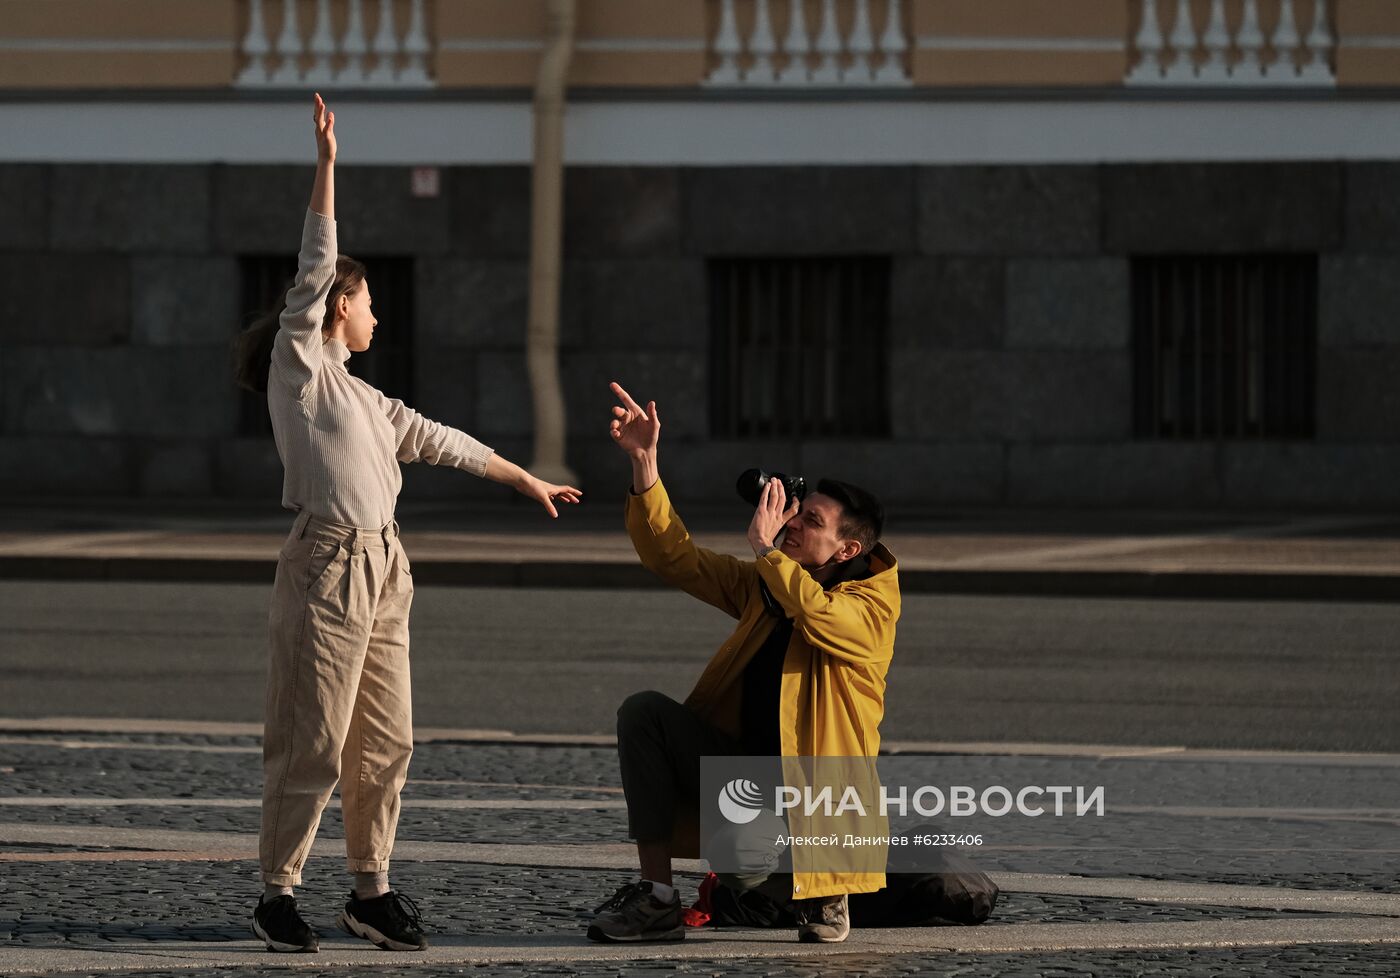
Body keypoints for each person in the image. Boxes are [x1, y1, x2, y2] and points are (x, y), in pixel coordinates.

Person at [234, 94, 581, 954]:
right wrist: (326, 164)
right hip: (325, 566)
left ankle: (370, 892)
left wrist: (523, 477)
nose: (376, 313)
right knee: (311, 742)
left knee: (386, 743)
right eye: (368, 301)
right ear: (337, 308)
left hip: (386, 571)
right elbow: (314, 265)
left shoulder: (368, 400)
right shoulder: (303, 370)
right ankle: (278, 892)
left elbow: (444, 441)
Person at [587, 382, 899, 945]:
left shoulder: (873, 604)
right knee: (646, 714)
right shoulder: (769, 583)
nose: (795, 525)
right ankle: (657, 898)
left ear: (848, 551)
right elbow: (674, 557)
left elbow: (823, 617)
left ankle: (825, 893)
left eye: (813, 523)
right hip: (749, 781)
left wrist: (767, 549)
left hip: (814, 802)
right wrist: (645, 465)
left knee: (735, 860)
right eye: (797, 514)